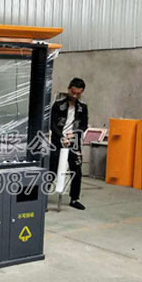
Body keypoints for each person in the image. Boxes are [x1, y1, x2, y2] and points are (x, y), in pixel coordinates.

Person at [49, 78, 88, 210]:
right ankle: (42, 198)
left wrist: (75, 134)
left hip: (73, 143)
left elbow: (84, 125)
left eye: (78, 93)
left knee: (76, 171)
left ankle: (74, 199)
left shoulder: (82, 108)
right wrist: (61, 137)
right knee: (52, 170)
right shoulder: (58, 105)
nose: (75, 96)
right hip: (57, 142)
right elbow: (52, 124)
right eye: (73, 92)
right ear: (68, 89)